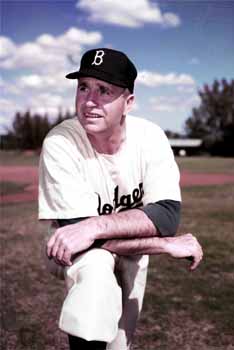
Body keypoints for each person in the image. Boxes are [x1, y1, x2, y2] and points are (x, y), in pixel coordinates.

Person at [38, 48, 203, 350]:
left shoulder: (150, 138)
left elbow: (166, 216)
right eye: (83, 87)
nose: (89, 101)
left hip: (129, 250)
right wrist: (164, 244)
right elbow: (78, 235)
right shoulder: (61, 142)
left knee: (120, 342)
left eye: (104, 90)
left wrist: (94, 227)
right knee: (96, 271)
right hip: (65, 245)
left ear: (128, 103)